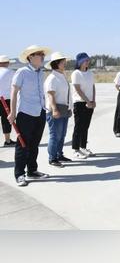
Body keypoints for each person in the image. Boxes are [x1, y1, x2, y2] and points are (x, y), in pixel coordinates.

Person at [8, 45, 52, 186]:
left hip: (40, 112)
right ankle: (19, 174)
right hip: (26, 113)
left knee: (34, 144)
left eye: (43, 54)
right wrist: (12, 112)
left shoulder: (41, 73)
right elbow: (14, 92)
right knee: (22, 145)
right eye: (39, 54)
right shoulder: (22, 72)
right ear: (30, 57)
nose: (42, 57)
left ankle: (32, 170)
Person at [44, 52, 72, 167]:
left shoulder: (61, 75)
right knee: (55, 135)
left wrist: (69, 107)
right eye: (63, 62)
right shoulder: (52, 78)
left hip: (64, 108)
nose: (65, 64)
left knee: (62, 135)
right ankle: (52, 158)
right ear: (56, 63)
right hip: (55, 109)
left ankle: (59, 154)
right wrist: (55, 110)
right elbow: (50, 95)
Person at [71, 52, 96, 159]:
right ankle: (75, 149)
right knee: (78, 127)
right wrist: (87, 101)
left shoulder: (90, 73)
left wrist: (93, 100)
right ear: (80, 62)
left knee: (85, 126)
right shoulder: (76, 73)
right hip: (79, 102)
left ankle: (83, 147)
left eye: (88, 60)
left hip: (90, 102)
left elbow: (93, 87)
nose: (87, 62)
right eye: (85, 60)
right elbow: (78, 89)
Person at [0, 54, 16, 147]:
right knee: (6, 120)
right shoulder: (11, 72)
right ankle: (7, 140)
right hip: (5, 99)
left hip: (4, 98)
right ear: (7, 63)